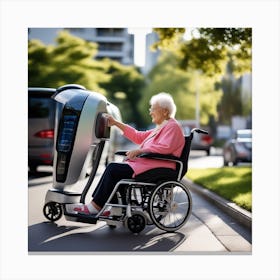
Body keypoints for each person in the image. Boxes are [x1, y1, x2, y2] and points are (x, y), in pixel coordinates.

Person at [73, 92, 185, 215]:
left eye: (153, 108)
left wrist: (140, 151)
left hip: (160, 168)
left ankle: (96, 206)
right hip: (150, 165)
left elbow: (165, 148)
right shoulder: (161, 127)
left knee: (113, 169)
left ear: (164, 111)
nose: (150, 112)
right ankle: (115, 207)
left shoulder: (173, 126)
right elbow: (138, 136)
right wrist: (116, 123)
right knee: (115, 170)